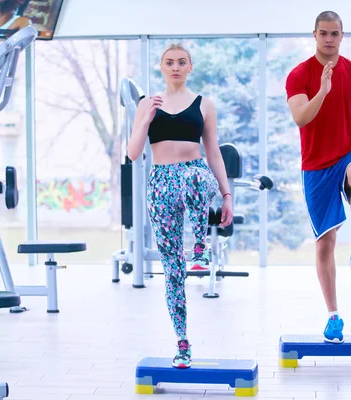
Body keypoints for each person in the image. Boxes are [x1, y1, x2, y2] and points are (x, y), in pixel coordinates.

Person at [127, 43, 234, 368]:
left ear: (190, 67)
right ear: (162, 68)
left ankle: (200, 248)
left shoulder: (204, 105)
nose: (175, 66)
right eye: (169, 62)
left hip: (193, 171)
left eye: (181, 62)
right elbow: (133, 154)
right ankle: (182, 342)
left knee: (199, 180)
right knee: (173, 271)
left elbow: (212, 150)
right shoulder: (148, 103)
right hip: (160, 181)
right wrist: (146, 119)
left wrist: (226, 194)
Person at [285, 11, 351, 344]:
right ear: (314, 35)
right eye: (323, 33)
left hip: (349, 151)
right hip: (316, 165)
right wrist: (322, 90)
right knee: (325, 243)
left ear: (342, 36)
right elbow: (300, 117)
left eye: (334, 33)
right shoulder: (299, 75)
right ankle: (333, 317)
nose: (329, 39)